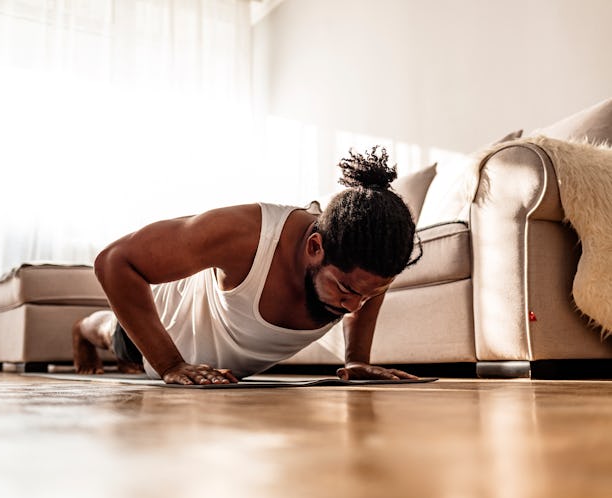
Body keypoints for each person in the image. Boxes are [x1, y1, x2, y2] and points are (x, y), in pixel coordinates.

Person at [73, 146, 422, 385]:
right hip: (167, 327)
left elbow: (365, 291)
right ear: (315, 247)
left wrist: (356, 359)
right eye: (345, 290)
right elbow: (114, 261)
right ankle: (83, 329)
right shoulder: (246, 234)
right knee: (114, 337)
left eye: (370, 292)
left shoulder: (367, 263)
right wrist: (170, 364)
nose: (353, 307)